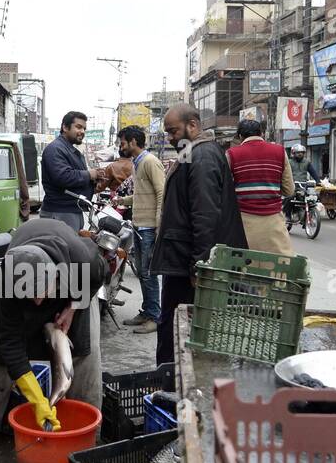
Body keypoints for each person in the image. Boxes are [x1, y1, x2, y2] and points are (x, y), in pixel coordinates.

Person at [0, 218, 107, 450]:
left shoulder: (84, 262)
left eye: (41, 293)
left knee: (85, 352)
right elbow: (10, 342)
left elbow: (96, 281)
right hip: (19, 290)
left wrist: (73, 308)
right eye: (30, 296)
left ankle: (89, 432)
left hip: (73, 293)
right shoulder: (8, 279)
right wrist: (36, 398)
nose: (37, 302)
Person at [152, 104, 247, 365]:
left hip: (190, 264)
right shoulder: (194, 153)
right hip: (184, 260)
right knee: (175, 326)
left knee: (178, 327)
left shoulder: (202, 156)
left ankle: (173, 384)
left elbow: (205, 216)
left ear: (192, 126)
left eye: (173, 131)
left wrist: (199, 266)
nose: (170, 137)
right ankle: (172, 380)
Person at [116, 125, 166, 335]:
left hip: (148, 228)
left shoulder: (149, 162)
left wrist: (158, 226)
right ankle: (147, 312)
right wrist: (122, 200)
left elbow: (161, 193)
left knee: (148, 274)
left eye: (123, 142)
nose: (121, 146)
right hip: (139, 226)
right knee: (143, 274)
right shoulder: (138, 163)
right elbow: (142, 195)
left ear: (134, 142)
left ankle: (154, 317)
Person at [226, 119, 295, 258]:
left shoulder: (231, 154)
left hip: (243, 226)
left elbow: (225, 191)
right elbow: (289, 190)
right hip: (274, 228)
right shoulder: (280, 152)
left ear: (240, 137)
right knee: (278, 270)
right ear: (262, 133)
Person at [40, 111, 106, 231]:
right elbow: (63, 177)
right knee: (62, 249)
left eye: (84, 128)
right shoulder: (55, 149)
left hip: (71, 211)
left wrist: (93, 183)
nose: (82, 132)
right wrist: (90, 174)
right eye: (78, 127)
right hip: (59, 212)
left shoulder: (70, 150)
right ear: (65, 127)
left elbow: (76, 180)